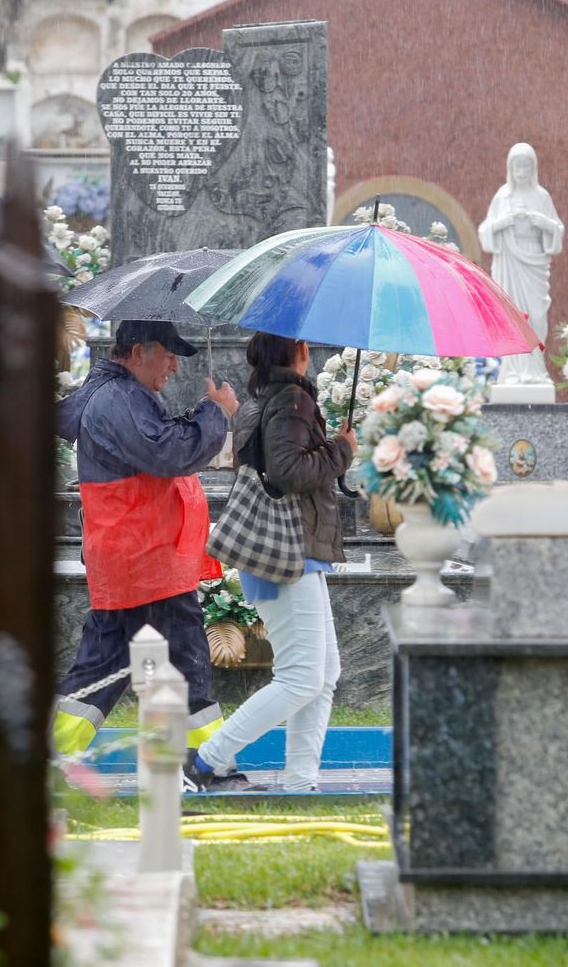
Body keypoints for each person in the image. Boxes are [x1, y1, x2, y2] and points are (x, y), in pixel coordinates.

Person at [53, 320, 241, 765]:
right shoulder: (118, 398)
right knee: (184, 664)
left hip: (134, 557)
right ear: (138, 353)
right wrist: (215, 414)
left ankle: (49, 754)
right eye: (170, 354)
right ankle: (203, 762)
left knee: (100, 669)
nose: (175, 366)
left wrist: (200, 415)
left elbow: (157, 444)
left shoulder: (117, 395)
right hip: (147, 558)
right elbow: (167, 453)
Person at [183, 332, 357, 793]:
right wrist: (342, 450)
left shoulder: (264, 399)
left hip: (287, 550)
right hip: (289, 550)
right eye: (303, 343)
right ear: (296, 352)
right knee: (302, 677)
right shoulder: (291, 400)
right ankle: (204, 761)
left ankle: (301, 781)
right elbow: (289, 471)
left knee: (323, 674)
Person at [478, 142, 564, 386]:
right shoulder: (503, 196)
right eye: (517, 166)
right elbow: (486, 230)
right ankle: (513, 371)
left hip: (533, 260)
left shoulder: (541, 196)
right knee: (513, 315)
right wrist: (503, 222)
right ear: (510, 168)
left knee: (536, 316)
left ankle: (535, 370)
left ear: (533, 167)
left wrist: (541, 222)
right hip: (509, 261)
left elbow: (557, 230)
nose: (522, 171)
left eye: (526, 166)